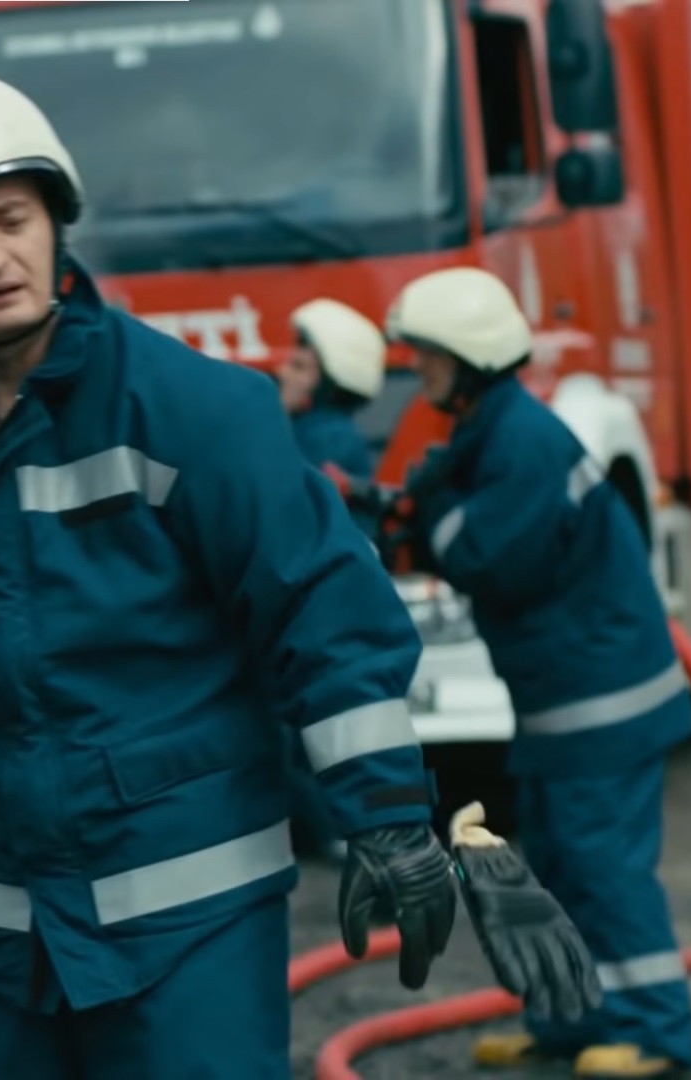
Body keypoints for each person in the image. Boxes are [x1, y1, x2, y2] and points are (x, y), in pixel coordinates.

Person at [0, 74, 596, 1079]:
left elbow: (325, 610)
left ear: (56, 224)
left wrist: (389, 818)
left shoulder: (192, 409)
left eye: (11, 220)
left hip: (189, 931)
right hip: (0, 943)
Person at [380, 266, 691, 1079]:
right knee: (554, 865)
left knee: (604, 870)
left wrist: (428, 521)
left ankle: (659, 1033)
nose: (420, 368)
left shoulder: (520, 441)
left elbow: (485, 555)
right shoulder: (489, 433)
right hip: (561, 702)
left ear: (472, 357)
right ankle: (568, 1021)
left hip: (603, 701)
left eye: (430, 355)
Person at [274, 299, 390, 860]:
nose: (283, 371)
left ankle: (340, 832)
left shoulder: (320, 439)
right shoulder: (319, 433)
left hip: (315, 615)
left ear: (331, 380)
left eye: (301, 366)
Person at [277, 298, 385, 498]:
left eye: (298, 367)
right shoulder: (314, 431)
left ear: (327, 385)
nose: (282, 372)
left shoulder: (327, 440)